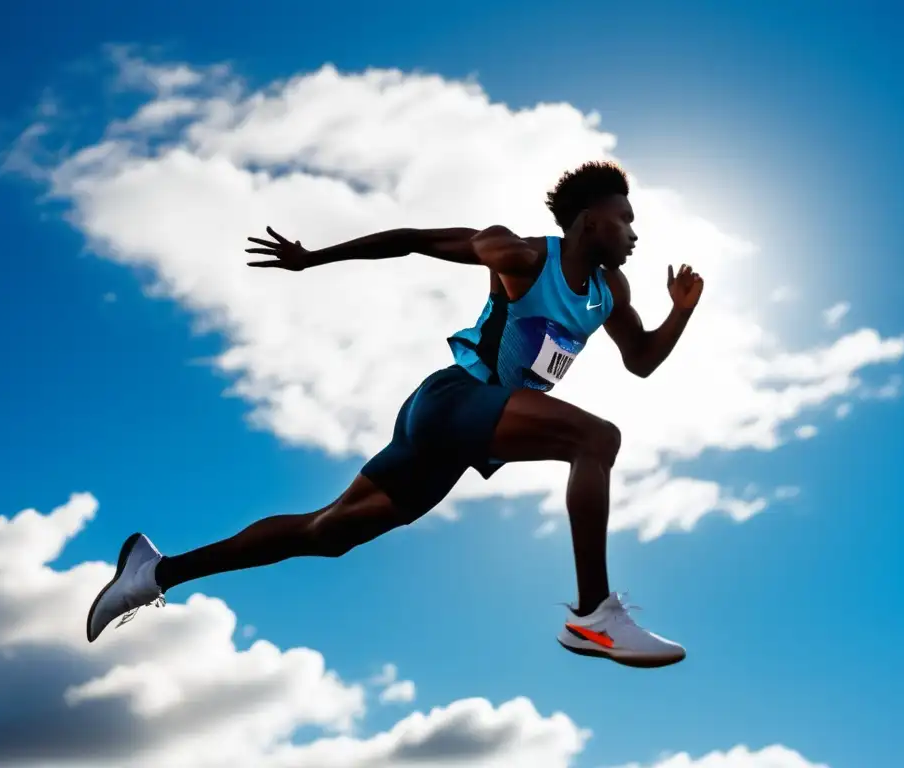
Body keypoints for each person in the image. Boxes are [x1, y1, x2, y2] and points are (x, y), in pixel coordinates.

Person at [86, 161, 703, 668]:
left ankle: (157, 572)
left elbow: (641, 359)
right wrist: (314, 257)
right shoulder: (519, 256)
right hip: (453, 401)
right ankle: (594, 614)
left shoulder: (608, 292)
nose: (633, 234)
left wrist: (680, 310)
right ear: (591, 220)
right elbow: (413, 241)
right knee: (595, 438)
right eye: (625, 220)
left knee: (326, 533)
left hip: (464, 439)